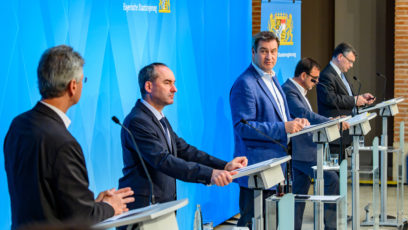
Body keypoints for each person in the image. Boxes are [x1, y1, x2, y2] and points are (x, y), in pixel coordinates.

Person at [3, 45, 135, 230]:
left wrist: (91, 204)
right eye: (83, 80)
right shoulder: (63, 143)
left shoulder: (18, 125)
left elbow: (46, 198)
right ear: (73, 86)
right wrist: (109, 207)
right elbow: (81, 216)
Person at [118, 62, 248, 209]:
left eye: (174, 83)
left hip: (160, 205)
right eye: (167, 83)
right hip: (144, 207)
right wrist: (210, 174)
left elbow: (185, 151)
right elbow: (163, 161)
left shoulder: (159, 118)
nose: (175, 89)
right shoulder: (138, 121)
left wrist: (224, 166)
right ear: (148, 87)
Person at [229, 31, 308, 228]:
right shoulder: (245, 83)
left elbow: (279, 116)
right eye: (264, 51)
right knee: (251, 221)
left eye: (273, 51)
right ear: (253, 52)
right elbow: (243, 127)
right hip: (256, 167)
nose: (269, 56)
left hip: (275, 165)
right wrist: (284, 127)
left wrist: (293, 122)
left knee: (270, 222)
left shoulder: (273, 78)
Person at [282, 58, 349, 230]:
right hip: (301, 152)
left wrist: (330, 120)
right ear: (303, 75)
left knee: (298, 195)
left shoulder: (298, 92)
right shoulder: (289, 91)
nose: (317, 82)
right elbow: (303, 113)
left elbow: (307, 118)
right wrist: (330, 121)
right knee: (332, 180)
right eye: (314, 79)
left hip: (305, 151)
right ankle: (330, 227)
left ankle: (293, 227)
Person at [317, 42, 375, 155]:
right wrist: (354, 100)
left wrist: (361, 98)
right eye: (350, 61)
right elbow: (330, 99)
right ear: (340, 57)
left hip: (346, 132)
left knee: (343, 170)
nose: (351, 65)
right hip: (335, 134)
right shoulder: (326, 75)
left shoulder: (342, 75)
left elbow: (347, 97)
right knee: (336, 171)